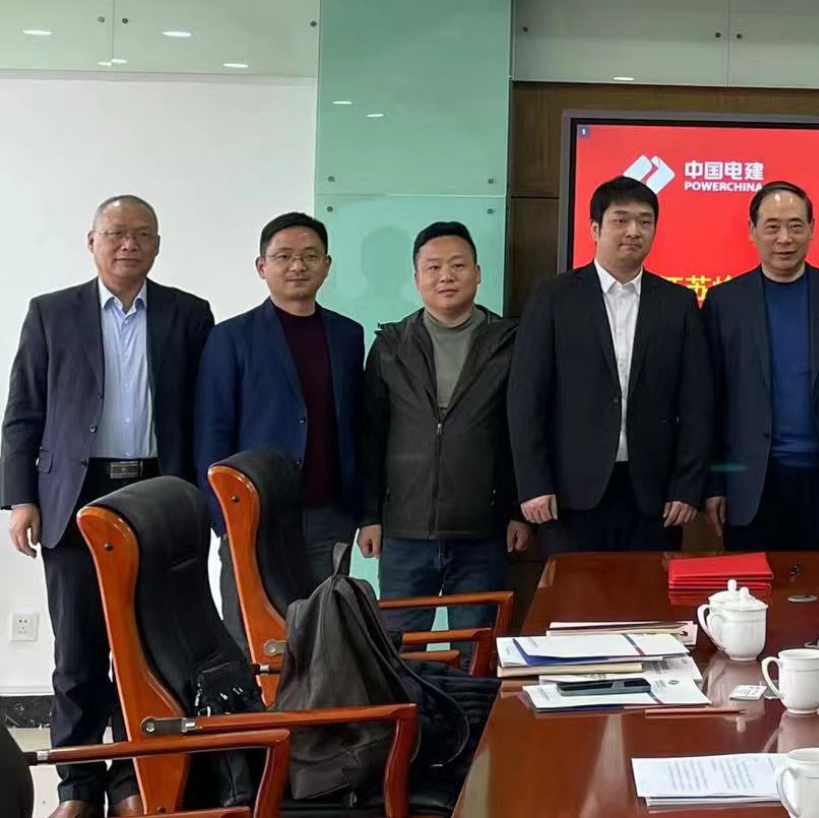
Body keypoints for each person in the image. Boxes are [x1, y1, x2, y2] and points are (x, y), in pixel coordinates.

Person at [1, 196, 213, 818]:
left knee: (145, 648)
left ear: (158, 244)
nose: (129, 244)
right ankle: (77, 788)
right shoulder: (51, 313)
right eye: (117, 233)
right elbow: (23, 413)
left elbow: (202, 413)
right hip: (73, 495)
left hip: (155, 493)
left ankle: (131, 782)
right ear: (91, 241)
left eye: (142, 234)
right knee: (78, 650)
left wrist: (198, 499)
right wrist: (21, 499)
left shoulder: (188, 314)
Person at [508, 175, 712, 553]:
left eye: (645, 221)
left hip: (653, 498)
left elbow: (696, 404)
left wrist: (687, 486)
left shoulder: (678, 302)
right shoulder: (554, 297)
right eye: (621, 220)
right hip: (570, 495)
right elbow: (526, 397)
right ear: (595, 228)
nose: (634, 231)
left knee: (650, 591)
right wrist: (533, 483)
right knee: (573, 591)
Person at [195, 212, 365, 645]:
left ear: (326, 265)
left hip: (329, 515)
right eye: (284, 256)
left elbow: (358, 426)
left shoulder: (348, 335)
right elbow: (213, 431)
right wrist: (223, 519)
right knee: (252, 639)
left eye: (310, 256)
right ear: (261, 266)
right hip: (254, 518)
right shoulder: (230, 337)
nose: (297, 266)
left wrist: (363, 511)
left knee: (325, 639)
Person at [357, 222, 528, 636]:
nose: (446, 276)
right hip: (404, 531)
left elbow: (523, 435)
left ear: (478, 273)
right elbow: (369, 437)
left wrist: (518, 513)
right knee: (401, 650)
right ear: (417, 278)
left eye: (458, 265)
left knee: (476, 651)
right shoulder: (391, 345)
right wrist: (369, 516)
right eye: (433, 267)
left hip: (483, 532)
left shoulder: (510, 343)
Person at [702, 183, 819, 551]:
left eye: (795, 226)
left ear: (812, 229)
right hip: (750, 484)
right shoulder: (723, 302)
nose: (784, 238)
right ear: (752, 230)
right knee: (751, 585)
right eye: (772, 226)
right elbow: (709, 401)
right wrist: (713, 483)